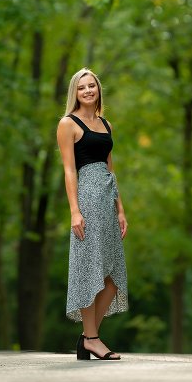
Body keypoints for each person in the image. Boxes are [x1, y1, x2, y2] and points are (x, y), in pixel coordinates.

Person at [57, 68, 129, 360]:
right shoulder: (67, 124)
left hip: (107, 201)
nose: (88, 91)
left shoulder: (105, 124)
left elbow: (111, 168)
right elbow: (69, 169)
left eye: (92, 86)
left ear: (98, 90)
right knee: (89, 271)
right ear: (75, 92)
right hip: (86, 200)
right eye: (82, 87)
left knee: (112, 279)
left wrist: (121, 209)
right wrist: (74, 211)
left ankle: (88, 338)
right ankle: (93, 339)